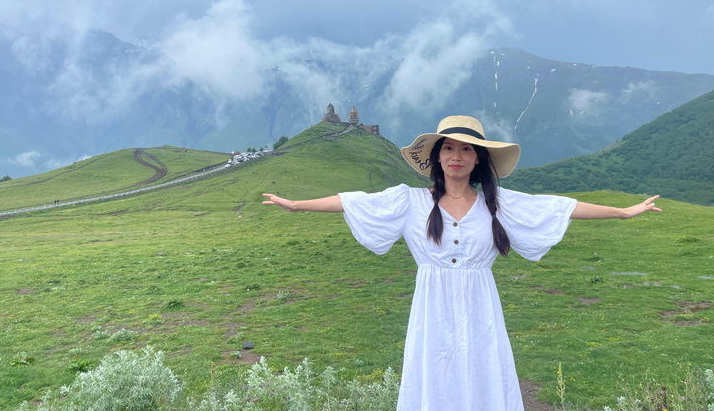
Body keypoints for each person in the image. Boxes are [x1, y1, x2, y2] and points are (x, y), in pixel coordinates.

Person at [262, 115, 661, 411]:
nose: (457, 156)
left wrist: (623, 213)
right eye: (449, 148)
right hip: (430, 308)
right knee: (432, 371)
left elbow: (560, 208)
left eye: (466, 148)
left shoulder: (497, 205)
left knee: (483, 367)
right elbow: (352, 201)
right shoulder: (411, 202)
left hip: (479, 305)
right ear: (437, 157)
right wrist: (297, 205)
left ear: (478, 159)